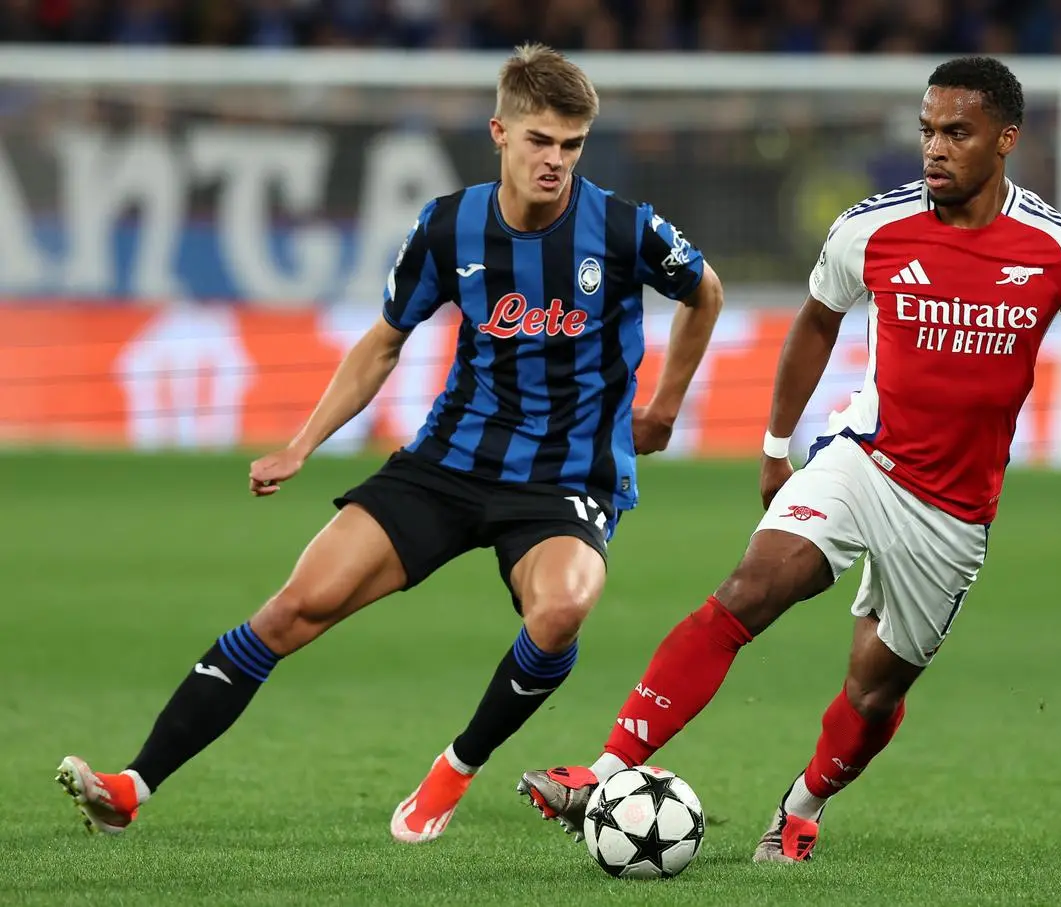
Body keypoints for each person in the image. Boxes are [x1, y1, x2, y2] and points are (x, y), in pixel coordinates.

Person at [56, 42, 724, 844]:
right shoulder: (448, 226)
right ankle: (131, 786)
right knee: (293, 608)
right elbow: (383, 341)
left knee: (564, 606)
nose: (556, 160)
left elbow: (704, 290)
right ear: (500, 133)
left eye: (572, 144)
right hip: (446, 463)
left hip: (566, 475)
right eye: (540, 140)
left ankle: (453, 770)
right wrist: (303, 444)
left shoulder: (622, 227)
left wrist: (665, 405)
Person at [517, 56, 1061, 863]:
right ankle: (602, 773)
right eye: (927, 130)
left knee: (874, 687)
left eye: (956, 132)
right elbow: (816, 321)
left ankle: (800, 806)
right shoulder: (872, 227)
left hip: (954, 510)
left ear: (1005, 140)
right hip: (864, 458)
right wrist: (778, 447)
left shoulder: (1056, 248)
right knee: (751, 587)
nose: (935, 148)